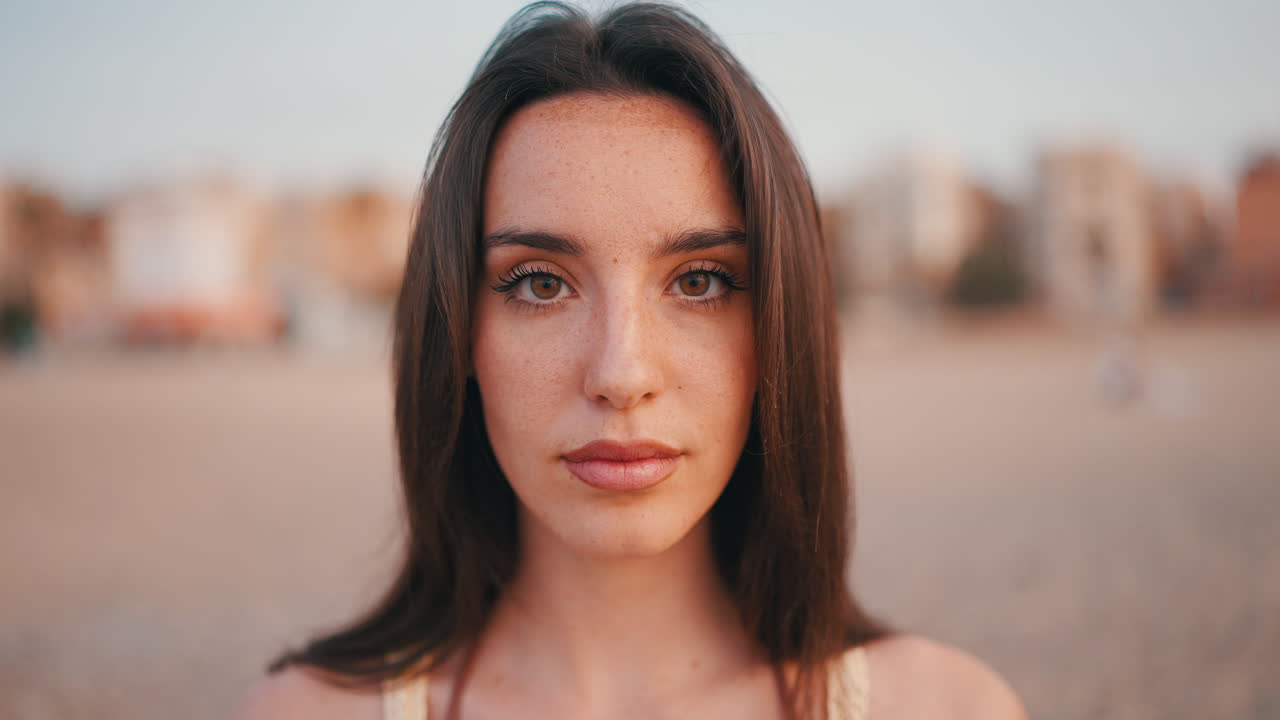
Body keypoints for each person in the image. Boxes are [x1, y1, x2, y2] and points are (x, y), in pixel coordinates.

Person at [233, 2, 1026, 718]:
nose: (621, 375)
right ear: (459, 334)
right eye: (541, 284)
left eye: (700, 281)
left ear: (780, 329)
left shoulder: (948, 708)